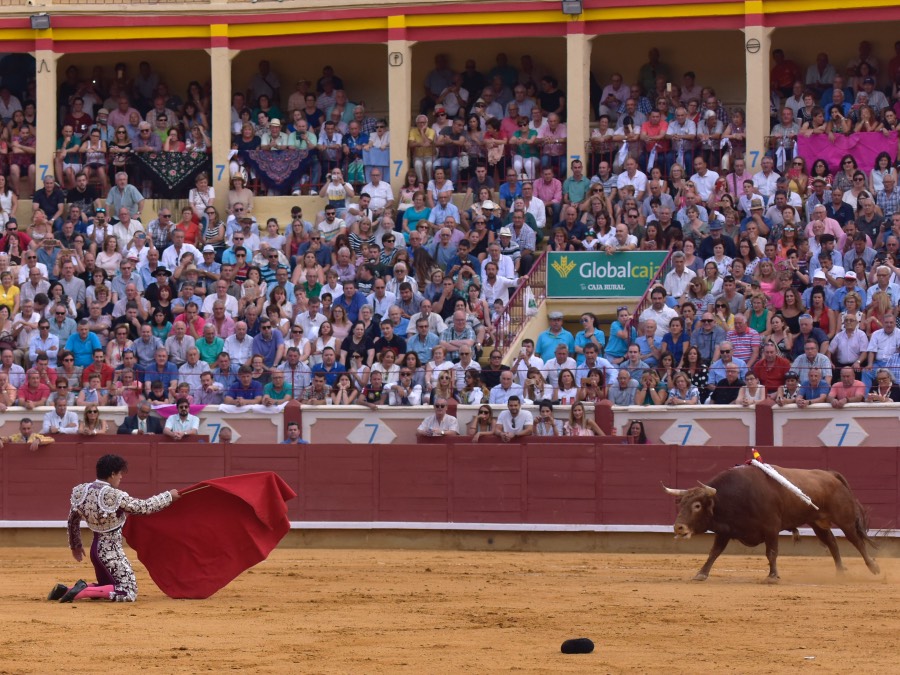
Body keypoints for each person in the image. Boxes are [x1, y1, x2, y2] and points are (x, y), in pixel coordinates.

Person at [55, 454, 179, 603]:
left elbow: (72, 519)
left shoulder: (82, 491)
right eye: (120, 474)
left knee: (107, 585)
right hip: (111, 552)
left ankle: (66, 590)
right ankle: (82, 591)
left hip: (95, 551)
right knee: (128, 591)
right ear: (112, 474)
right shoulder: (114, 495)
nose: (121, 477)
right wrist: (168, 497)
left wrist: (76, 545)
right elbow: (143, 507)